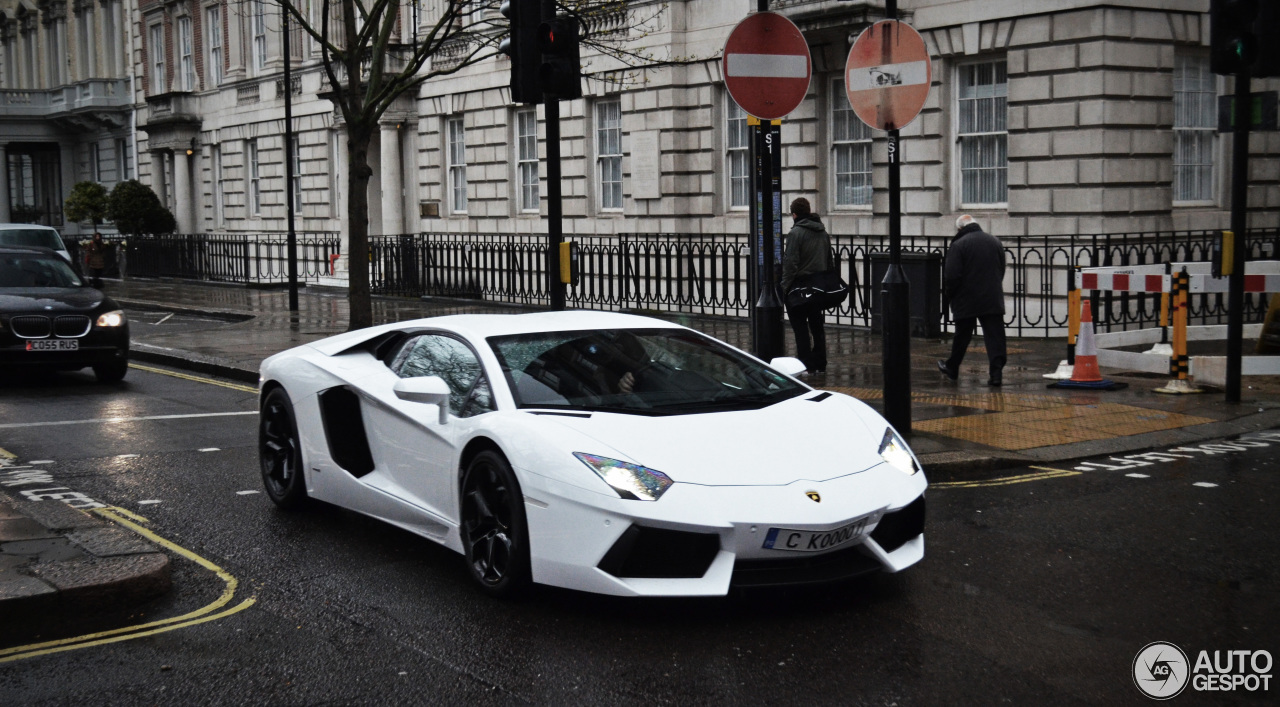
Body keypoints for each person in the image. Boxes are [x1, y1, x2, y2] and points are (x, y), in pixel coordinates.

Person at [938, 214, 1007, 386]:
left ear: (960, 228)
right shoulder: (994, 241)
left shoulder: (959, 244)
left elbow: (952, 275)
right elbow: (1001, 269)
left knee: (962, 335)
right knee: (995, 337)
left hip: (966, 298)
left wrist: (950, 294)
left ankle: (952, 367)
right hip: (991, 297)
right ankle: (996, 374)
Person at [780, 197, 832, 375]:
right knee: (817, 326)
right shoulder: (822, 232)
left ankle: (806, 364)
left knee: (800, 328)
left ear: (794, 214)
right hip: (818, 286)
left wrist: (784, 287)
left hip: (799, 288)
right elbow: (829, 260)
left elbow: (791, 263)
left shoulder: (795, 234)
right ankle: (820, 362)